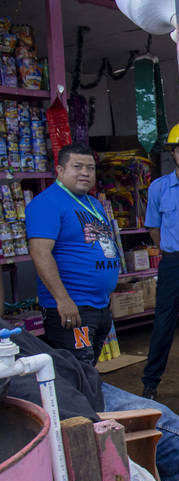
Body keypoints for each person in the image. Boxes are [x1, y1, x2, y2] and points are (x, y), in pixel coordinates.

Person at [2, 318, 179, 481]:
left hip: (73, 378)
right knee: (172, 435)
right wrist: (101, 442)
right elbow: (37, 393)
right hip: (67, 398)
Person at [26, 143, 120, 366]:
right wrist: (63, 300)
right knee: (78, 374)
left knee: (88, 370)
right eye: (77, 166)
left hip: (98, 306)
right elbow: (40, 254)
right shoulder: (47, 203)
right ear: (60, 170)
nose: (85, 173)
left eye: (90, 168)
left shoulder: (93, 203)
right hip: (72, 308)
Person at [141, 123, 179, 400]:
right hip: (172, 262)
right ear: (172, 154)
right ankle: (150, 383)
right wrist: (169, 250)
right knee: (163, 323)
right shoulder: (159, 188)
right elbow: (154, 228)